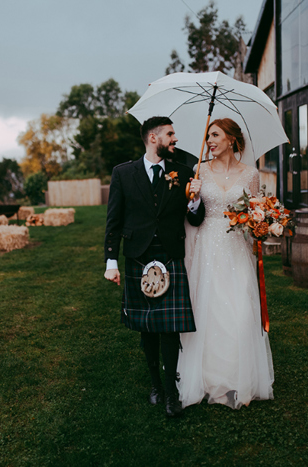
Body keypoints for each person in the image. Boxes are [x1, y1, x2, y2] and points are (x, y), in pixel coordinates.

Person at [104, 116, 205, 418]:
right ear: (152, 138)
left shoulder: (185, 172)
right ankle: (155, 385)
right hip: (137, 256)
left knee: (170, 327)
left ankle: (171, 392)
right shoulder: (123, 173)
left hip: (171, 254)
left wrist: (195, 198)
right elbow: (114, 221)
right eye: (170, 134)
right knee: (147, 327)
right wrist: (111, 261)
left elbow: (196, 219)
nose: (175, 138)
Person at [177, 118, 274, 409]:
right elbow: (192, 214)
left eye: (215, 135)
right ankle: (209, 380)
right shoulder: (199, 170)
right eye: (208, 136)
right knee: (209, 310)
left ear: (231, 139)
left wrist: (262, 224)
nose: (210, 141)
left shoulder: (251, 174)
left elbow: (256, 211)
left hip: (236, 248)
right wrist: (191, 196)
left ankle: (238, 378)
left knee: (240, 311)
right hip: (206, 245)